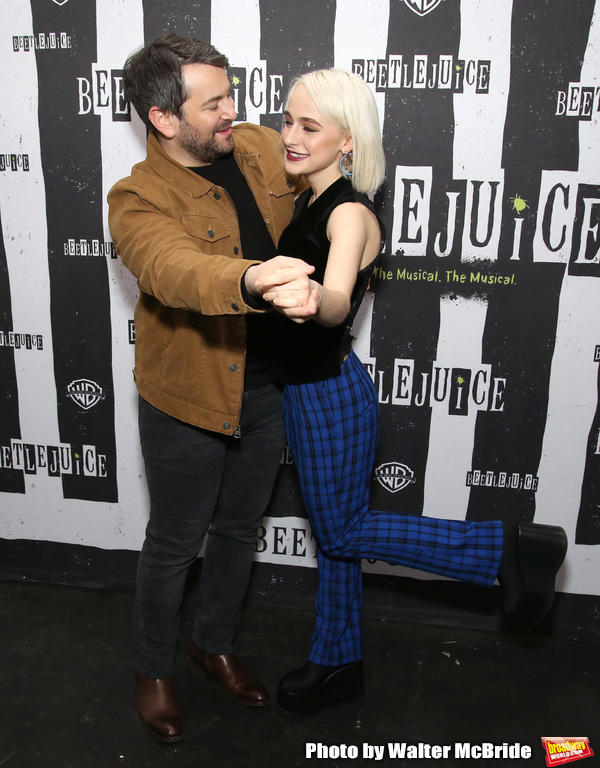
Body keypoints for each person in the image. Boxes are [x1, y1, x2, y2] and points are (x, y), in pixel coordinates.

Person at [253, 68, 568, 718]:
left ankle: (504, 549)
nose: (291, 134)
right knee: (336, 536)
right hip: (307, 391)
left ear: (347, 139)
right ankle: (338, 662)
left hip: (329, 395)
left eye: (310, 125)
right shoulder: (309, 201)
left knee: (341, 531)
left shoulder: (348, 211)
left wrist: (317, 300)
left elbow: (337, 299)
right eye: (288, 119)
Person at [107, 34, 312, 743]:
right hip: (186, 396)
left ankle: (213, 643)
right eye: (214, 102)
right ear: (164, 118)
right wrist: (253, 277)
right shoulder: (136, 197)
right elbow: (172, 269)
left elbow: (315, 168)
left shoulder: (251, 147)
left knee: (237, 530)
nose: (234, 112)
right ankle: (153, 668)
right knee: (174, 543)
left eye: (231, 95)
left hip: (267, 390)